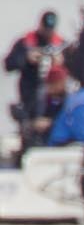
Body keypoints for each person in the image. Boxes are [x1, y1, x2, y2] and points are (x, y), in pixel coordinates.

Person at [6, 10, 65, 146]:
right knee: (29, 125)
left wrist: (61, 61)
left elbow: (76, 66)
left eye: (50, 30)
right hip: (30, 93)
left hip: (54, 97)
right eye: (45, 28)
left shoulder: (61, 44)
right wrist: (27, 58)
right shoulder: (25, 43)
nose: (48, 33)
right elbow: (8, 65)